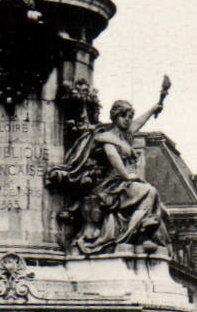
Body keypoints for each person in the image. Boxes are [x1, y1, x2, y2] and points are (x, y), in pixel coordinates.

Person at [45, 79, 171, 256]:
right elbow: (113, 158)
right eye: (123, 116)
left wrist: (154, 107)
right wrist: (127, 175)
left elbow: (140, 121)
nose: (127, 120)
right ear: (115, 117)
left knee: (152, 195)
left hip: (122, 184)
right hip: (109, 187)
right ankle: (129, 237)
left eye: (129, 116)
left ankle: (141, 234)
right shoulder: (108, 137)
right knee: (149, 192)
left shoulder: (126, 134)